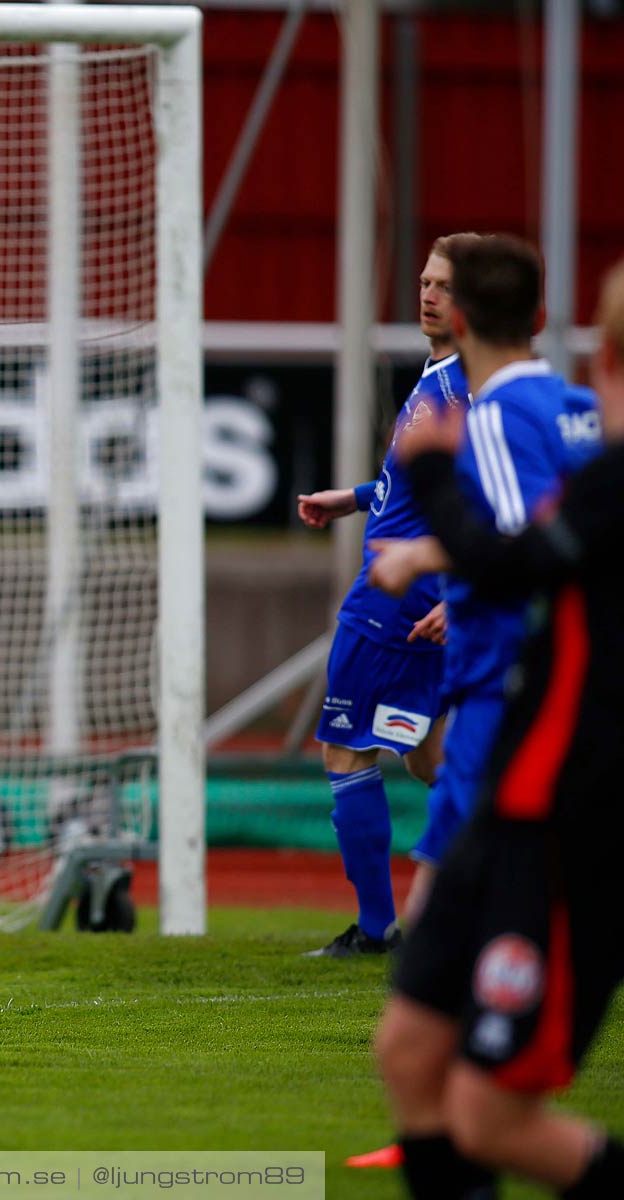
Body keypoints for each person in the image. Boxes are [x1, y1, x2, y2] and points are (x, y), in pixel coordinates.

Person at [365, 256, 624, 1200]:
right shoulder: (576, 428)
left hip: (542, 768)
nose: (426, 294)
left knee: (485, 1109)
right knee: (404, 1046)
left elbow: (519, 557)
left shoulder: (500, 413)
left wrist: (431, 491)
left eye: (439, 282)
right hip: (519, 756)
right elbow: (547, 544)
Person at [294, 234, 476, 958]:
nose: (428, 294)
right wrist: (357, 497)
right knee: (431, 760)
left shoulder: (458, 390)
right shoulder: (442, 378)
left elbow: (489, 501)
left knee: (346, 754)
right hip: (412, 599)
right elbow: (418, 489)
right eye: (426, 281)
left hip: (393, 605)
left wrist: (458, 590)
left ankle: (377, 931)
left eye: (445, 286)